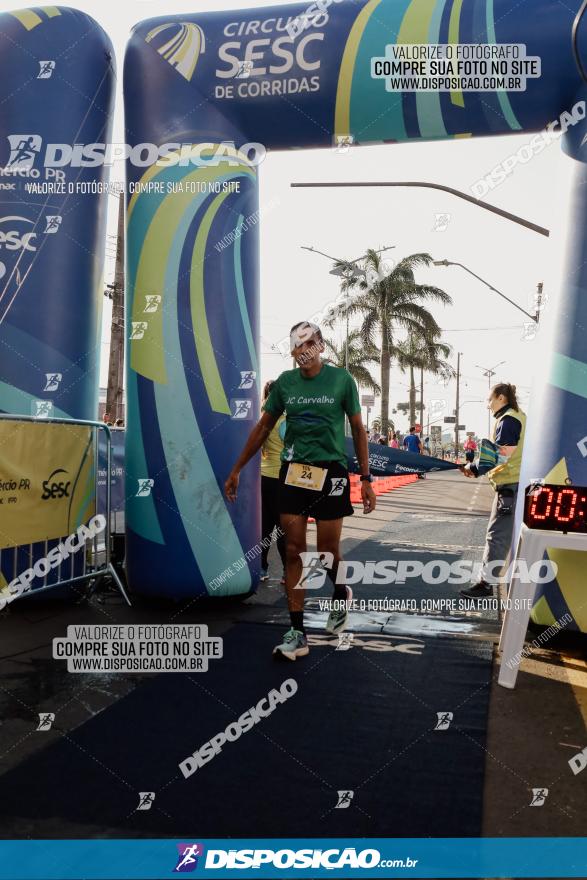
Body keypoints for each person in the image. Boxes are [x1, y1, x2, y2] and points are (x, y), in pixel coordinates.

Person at [225, 321, 376, 660]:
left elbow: (358, 429)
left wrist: (366, 478)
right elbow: (263, 426)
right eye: (297, 346)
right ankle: (298, 632)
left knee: (326, 551)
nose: (304, 350)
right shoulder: (285, 384)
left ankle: (340, 591)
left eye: (310, 343)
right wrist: (237, 468)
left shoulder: (341, 381)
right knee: (293, 549)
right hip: (293, 473)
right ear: (291, 353)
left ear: (321, 346)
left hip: (331, 472)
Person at [460, 383, 526, 600]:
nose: (488, 405)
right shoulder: (515, 416)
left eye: (490, 399)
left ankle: (486, 585)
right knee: (510, 537)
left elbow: (502, 455)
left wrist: (475, 467)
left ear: (501, 398)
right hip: (515, 484)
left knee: (497, 536)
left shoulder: (509, 420)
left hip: (510, 486)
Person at [260, 380, 286, 584]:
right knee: (283, 527)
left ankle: (261, 568)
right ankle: (288, 571)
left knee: (265, 526)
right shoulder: (284, 419)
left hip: (262, 477)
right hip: (281, 477)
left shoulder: (261, 417)